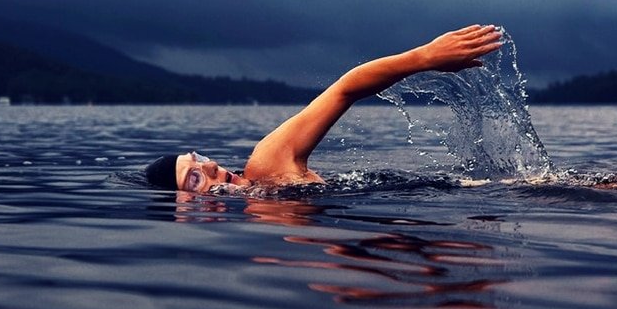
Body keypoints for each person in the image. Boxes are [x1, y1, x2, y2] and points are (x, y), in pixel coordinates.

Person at [145, 24, 504, 192]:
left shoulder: (267, 165)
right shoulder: (262, 221)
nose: (209, 166)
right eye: (194, 177)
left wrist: (423, 57)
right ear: (185, 208)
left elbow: (343, 90)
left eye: (198, 158)